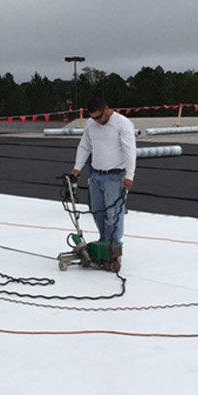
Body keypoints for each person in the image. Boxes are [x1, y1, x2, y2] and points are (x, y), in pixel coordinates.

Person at [71, 96, 137, 268]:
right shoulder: (91, 124)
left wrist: (130, 175)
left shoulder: (122, 124)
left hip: (115, 176)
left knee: (114, 214)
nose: (97, 121)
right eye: (92, 117)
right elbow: (85, 146)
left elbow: (130, 151)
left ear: (107, 109)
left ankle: (115, 251)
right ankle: (104, 243)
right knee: (97, 210)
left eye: (99, 117)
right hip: (96, 175)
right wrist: (77, 168)